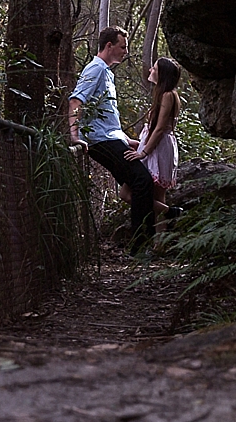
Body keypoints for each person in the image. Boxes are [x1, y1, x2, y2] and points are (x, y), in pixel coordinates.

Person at [68, 26, 156, 254]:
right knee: (141, 180)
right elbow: (76, 101)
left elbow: (108, 115)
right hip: (99, 141)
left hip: (112, 137)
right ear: (109, 46)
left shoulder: (107, 72)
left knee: (140, 181)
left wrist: (127, 140)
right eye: (122, 46)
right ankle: (141, 245)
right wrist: (75, 135)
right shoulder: (95, 68)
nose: (126, 51)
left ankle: (149, 237)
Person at [129, 57, 182, 235]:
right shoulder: (162, 94)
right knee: (128, 193)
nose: (151, 69)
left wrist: (144, 152)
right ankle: (169, 214)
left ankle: (160, 242)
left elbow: (159, 129)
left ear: (162, 74)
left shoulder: (168, 95)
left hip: (159, 148)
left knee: (158, 195)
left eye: (155, 68)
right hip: (152, 145)